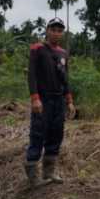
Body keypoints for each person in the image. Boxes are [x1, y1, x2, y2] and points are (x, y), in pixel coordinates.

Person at [25, 17, 76, 187]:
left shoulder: (63, 53)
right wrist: (35, 98)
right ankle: (33, 176)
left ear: (62, 32)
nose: (56, 33)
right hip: (43, 99)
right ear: (47, 30)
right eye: (53, 29)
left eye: (59, 30)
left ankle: (49, 172)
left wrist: (69, 101)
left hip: (58, 100)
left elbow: (65, 79)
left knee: (56, 134)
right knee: (38, 134)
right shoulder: (37, 49)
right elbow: (31, 75)